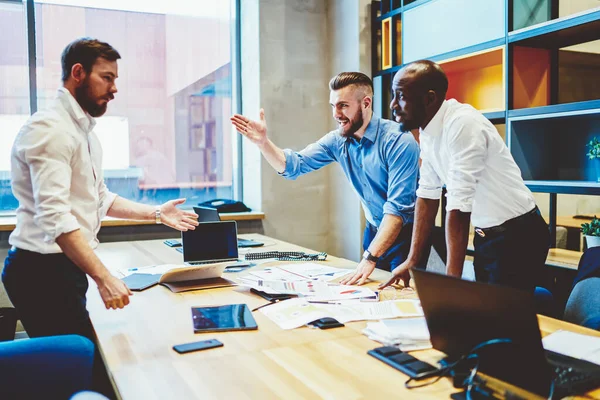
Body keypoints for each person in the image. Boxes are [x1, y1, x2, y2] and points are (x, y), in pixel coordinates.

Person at [2, 38, 199, 341]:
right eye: (106, 78)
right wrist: (103, 277)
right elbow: (55, 217)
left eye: (115, 79)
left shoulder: (84, 132)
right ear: (78, 73)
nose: (114, 88)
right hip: (41, 271)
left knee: (87, 358)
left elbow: (100, 198)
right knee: (81, 363)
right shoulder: (51, 129)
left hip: (64, 266)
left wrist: (157, 213)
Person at [230, 72, 420, 285]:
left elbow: (397, 209)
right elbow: (294, 165)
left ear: (366, 103)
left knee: (403, 298)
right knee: (371, 293)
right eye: (333, 106)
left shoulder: (399, 141)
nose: (336, 114)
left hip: (406, 235)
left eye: (343, 106)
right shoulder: (338, 140)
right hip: (374, 231)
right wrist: (263, 143)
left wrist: (369, 258)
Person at [380, 60, 549, 292]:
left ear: (429, 99)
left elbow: (458, 206)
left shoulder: (462, 124)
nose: (393, 105)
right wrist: (412, 261)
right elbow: (427, 196)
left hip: (518, 236)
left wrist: (452, 283)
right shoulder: (428, 130)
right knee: (486, 316)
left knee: (501, 319)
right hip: (487, 236)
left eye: (400, 96)